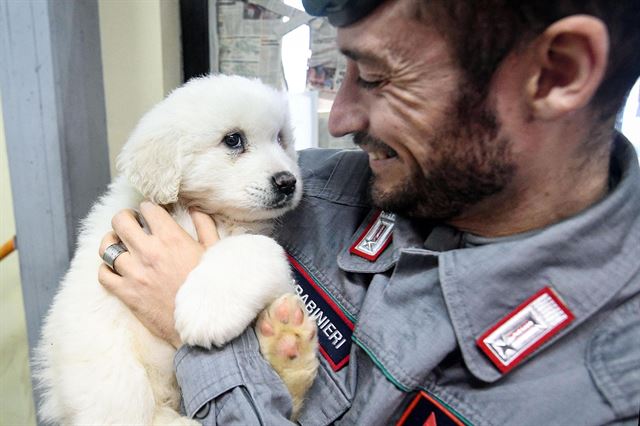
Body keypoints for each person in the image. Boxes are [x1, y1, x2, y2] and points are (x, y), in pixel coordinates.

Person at [98, 0, 640, 424]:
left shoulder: (610, 392)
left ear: (557, 73)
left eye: (379, 78)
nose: (342, 119)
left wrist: (194, 330)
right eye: (345, 71)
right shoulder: (322, 189)